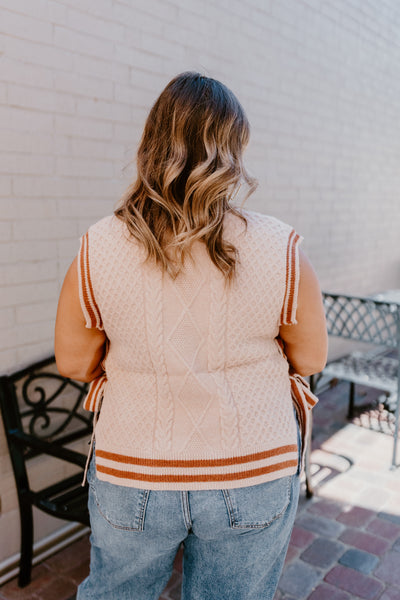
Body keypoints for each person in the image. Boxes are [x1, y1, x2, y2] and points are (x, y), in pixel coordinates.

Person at [55, 72, 328, 600]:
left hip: (133, 466)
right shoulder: (280, 246)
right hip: (253, 466)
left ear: (152, 143)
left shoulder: (99, 244)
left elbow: (73, 361)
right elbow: (311, 354)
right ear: (232, 149)